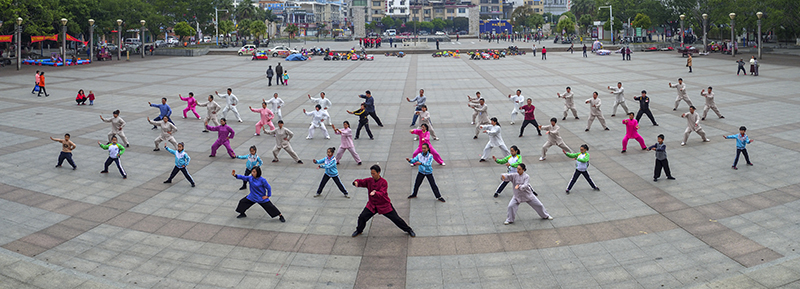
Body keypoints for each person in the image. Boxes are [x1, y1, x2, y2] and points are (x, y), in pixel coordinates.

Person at [351, 165, 415, 237]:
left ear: (379, 173)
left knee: (396, 219)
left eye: (374, 173)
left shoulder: (383, 182)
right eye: (371, 173)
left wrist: (375, 193)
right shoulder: (370, 180)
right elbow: (362, 182)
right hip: (372, 205)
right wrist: (356, 182)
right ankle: (359, 230)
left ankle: (408, 229)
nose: (372, 175)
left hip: (384, 205)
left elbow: (382, 193)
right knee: (362, 217)